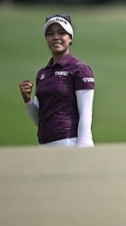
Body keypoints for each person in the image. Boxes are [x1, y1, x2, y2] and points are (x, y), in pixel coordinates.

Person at [18, 14, 95, 147]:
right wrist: (28, 100)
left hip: (70, 142)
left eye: (62, 33)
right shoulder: (43, 73)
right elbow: (40, 120)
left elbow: (86, 114)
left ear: (70, 38)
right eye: (50, 34)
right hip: (45, 143)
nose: (56, 37)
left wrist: (82, 146)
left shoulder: (80, 69)